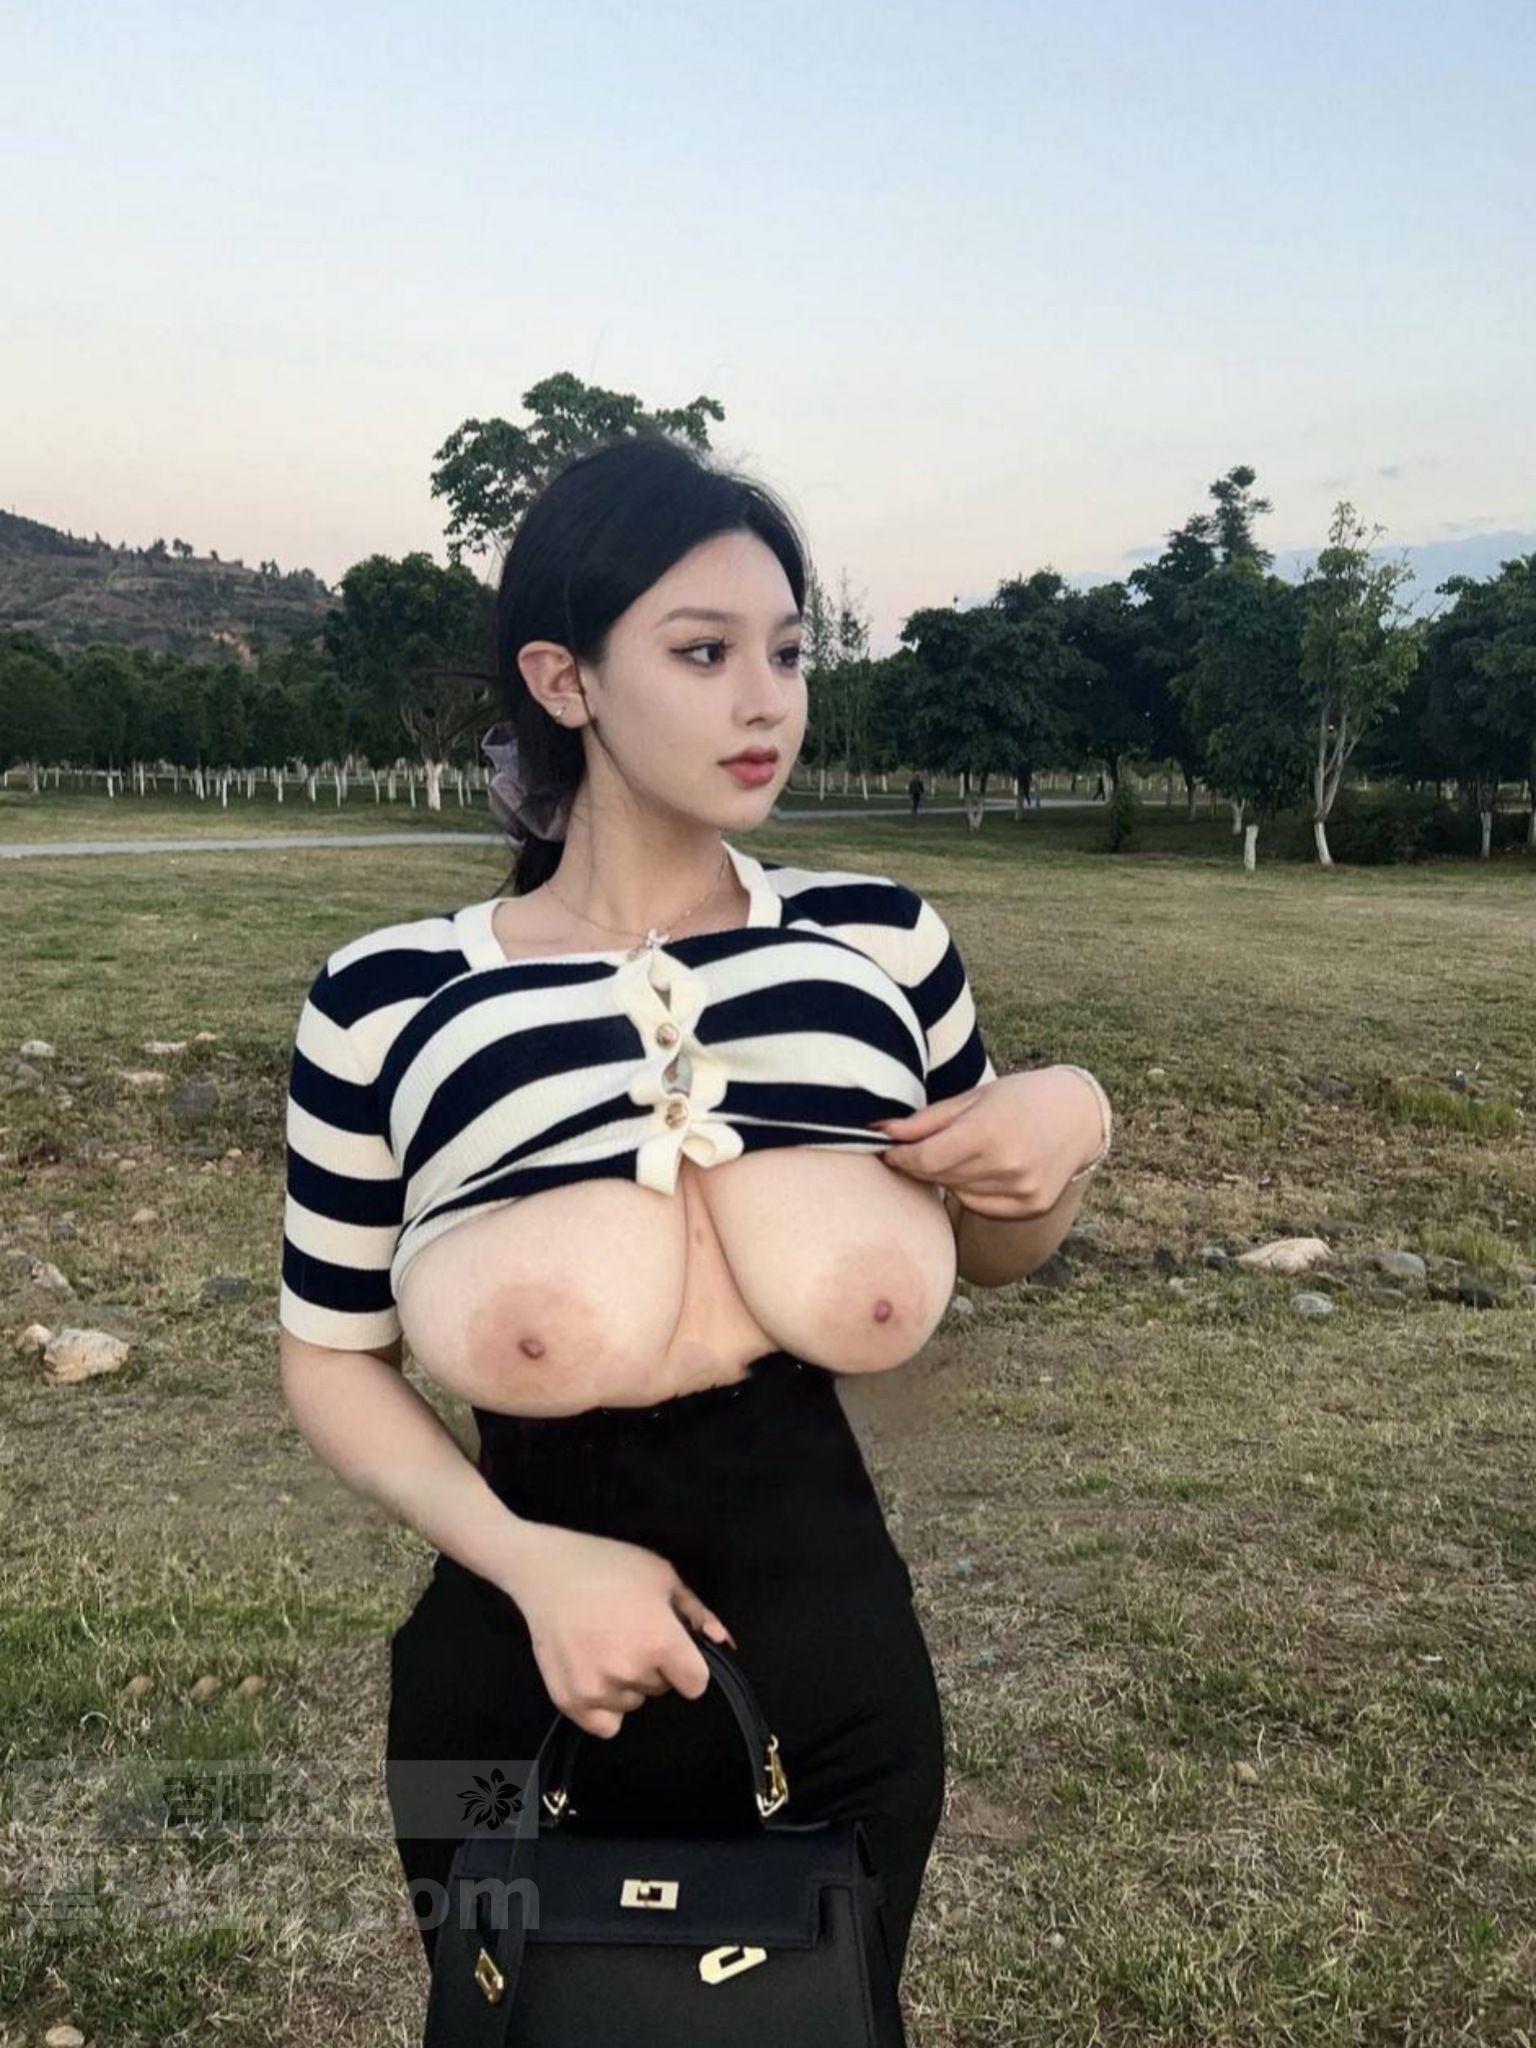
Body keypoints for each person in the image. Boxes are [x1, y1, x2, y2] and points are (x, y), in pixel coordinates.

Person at [276, 433, 1114, 2012]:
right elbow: (328, 1356)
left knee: (829, 2026)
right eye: (705, 652)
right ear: (566, 679)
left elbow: (1000, 1243)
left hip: (839, 1686)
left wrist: (1072, 1130)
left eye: (789, 653)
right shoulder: (391, 995)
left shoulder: (879, 945)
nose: (766, 701)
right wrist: (531, 1566)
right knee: (506, 2027)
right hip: (507, 1685)